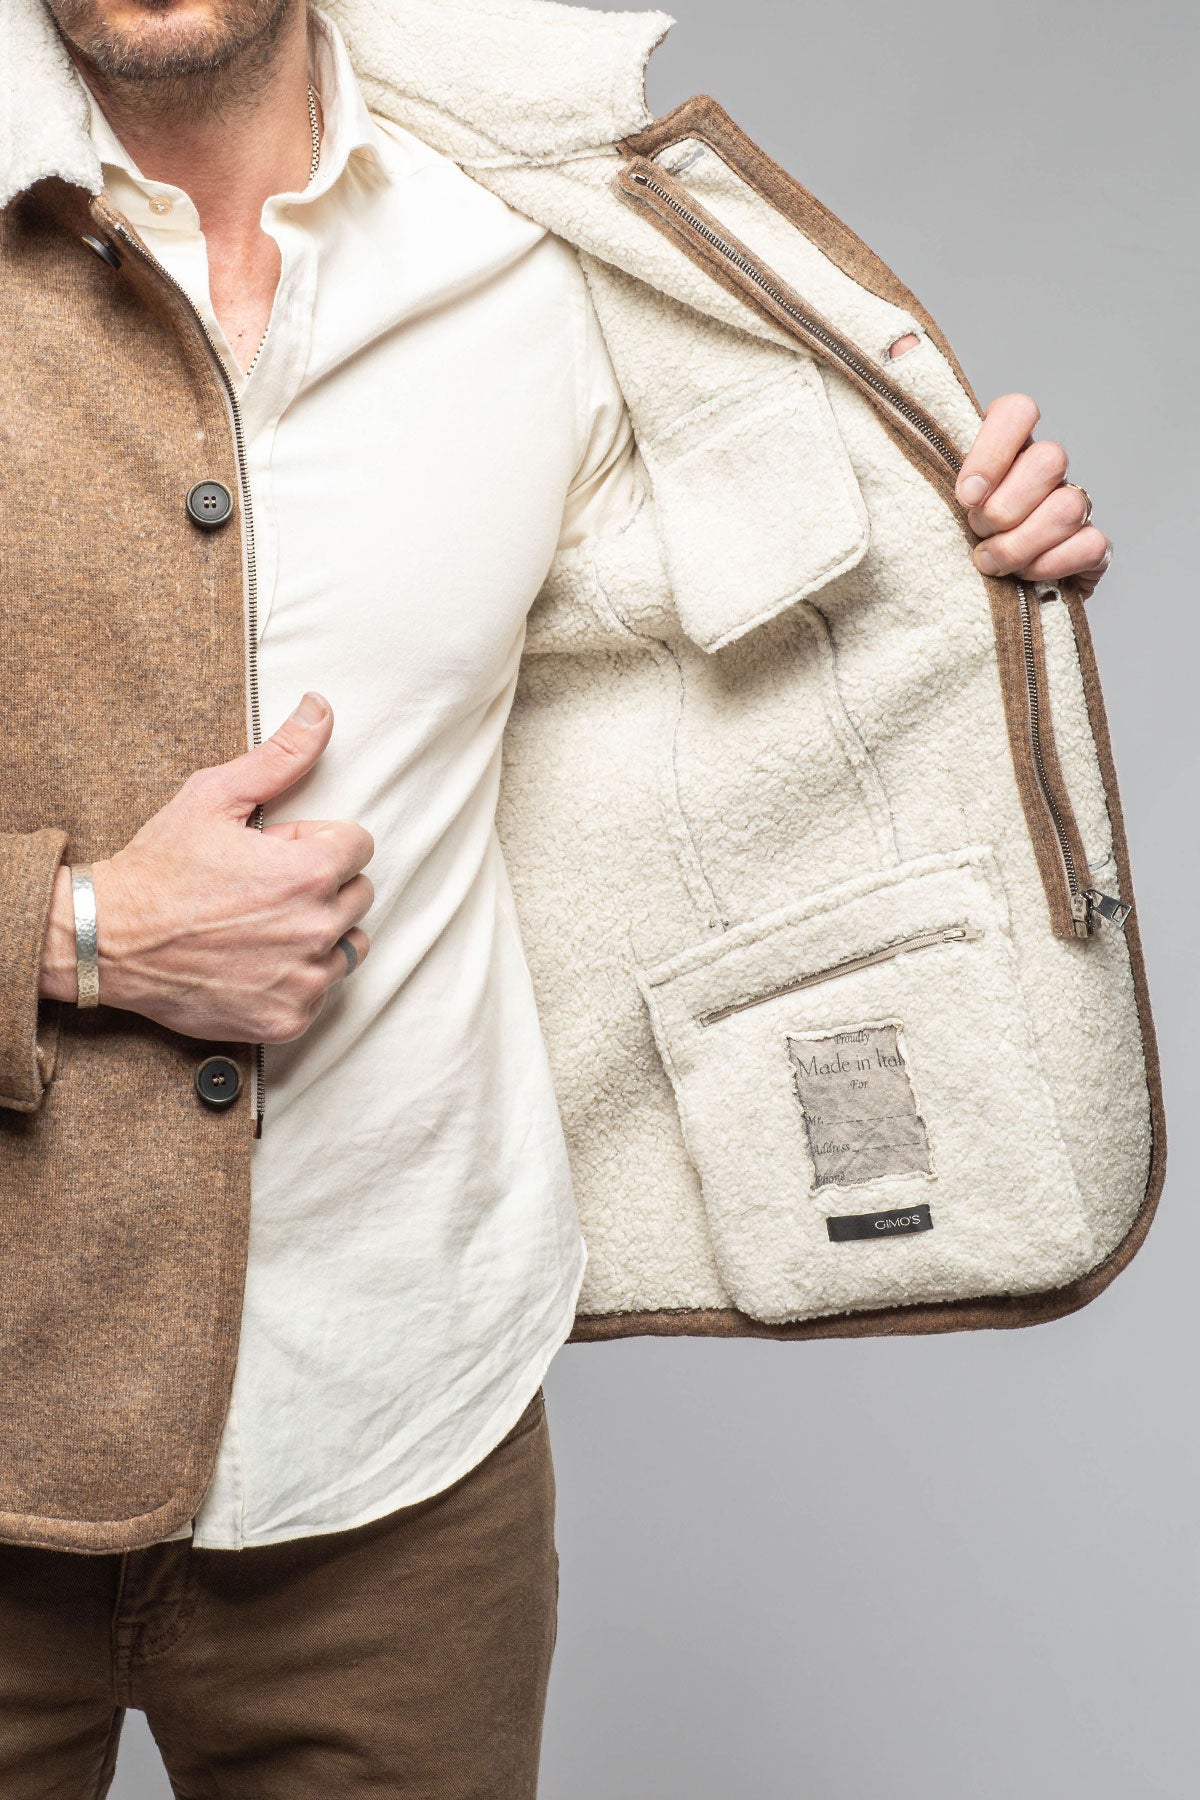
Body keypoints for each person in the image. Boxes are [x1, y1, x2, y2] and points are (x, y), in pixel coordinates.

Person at [0, 0, 1122, 1793]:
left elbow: (726, 626)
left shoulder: (529, 259)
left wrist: (960, 543)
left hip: (411, 1463)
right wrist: (79, 936)